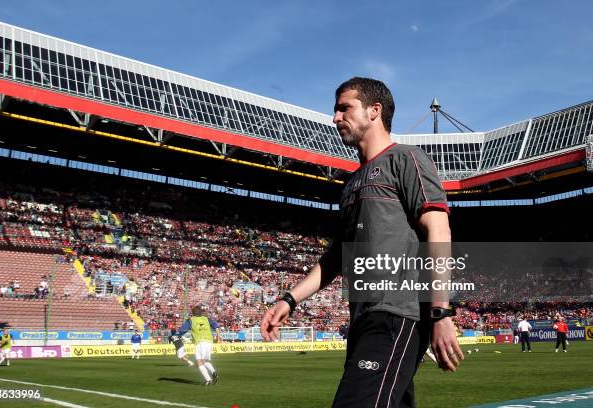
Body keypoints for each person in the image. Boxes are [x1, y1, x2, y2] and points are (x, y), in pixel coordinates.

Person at [261, 77, 463, 408]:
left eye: (344, 108)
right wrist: (289, 299)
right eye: (335, 110)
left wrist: (441, 312)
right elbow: (339, 256)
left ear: (374, 110)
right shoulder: (351, 183)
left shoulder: (406, 159)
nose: (335, 117)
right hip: (362, 319)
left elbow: (438, 231)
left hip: (396, 315)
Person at [178, 305, 221, 386]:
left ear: (193, 313)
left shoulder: (191, 320)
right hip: (209, 341)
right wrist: (218, 335)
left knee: (198, 362)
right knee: (204, 361)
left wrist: (178, 335)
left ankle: (208, 380)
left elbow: (182, 330)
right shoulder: (206, 319)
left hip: (200, 342)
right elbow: (216, 325)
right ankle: (213, 372)